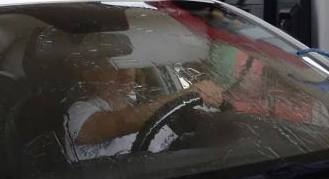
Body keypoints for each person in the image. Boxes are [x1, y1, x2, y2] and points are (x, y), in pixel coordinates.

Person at [64, 53, 224, 162]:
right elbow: (123, 123)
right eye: (114, 62)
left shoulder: (143, 105)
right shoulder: (78, 112)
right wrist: (185, 95)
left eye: (129, 61)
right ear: (89, 73)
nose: (125, 69)